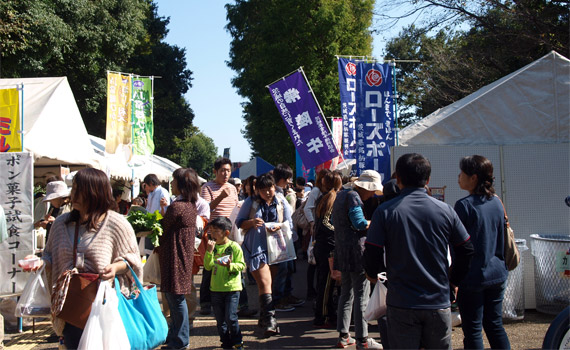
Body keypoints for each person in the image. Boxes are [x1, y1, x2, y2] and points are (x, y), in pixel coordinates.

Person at [20, 168, 142, 349]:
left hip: (103, 310)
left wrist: (116, 267)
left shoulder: (117, 224)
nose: (73, 194)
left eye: (78, 189)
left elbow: (133, 261)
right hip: (70, 309)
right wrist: (40, 262)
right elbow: (49, 255)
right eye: (74, 188)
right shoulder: (61, 224)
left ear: (95, 192)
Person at [364, 153, 475, 349]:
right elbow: (466, 249)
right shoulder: (446, 210)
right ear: (428, 179)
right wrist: (453, 280)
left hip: (401, 301)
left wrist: (373, 274)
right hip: (438, 300)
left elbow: (372, 251)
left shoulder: (385, 212)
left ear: (397, 178)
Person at [454, 155, 510, 349]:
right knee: (495, 325)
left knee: (473, 329)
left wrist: (454, 277)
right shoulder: (495, 202)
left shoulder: (464, 206)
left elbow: (459, 246)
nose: (458, 176)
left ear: (474, 177)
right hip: (497, 272)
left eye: (462, 172)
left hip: (473, 276)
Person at [236, 173, 293, 337]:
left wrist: (279, 226)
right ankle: (270, 321)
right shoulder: (250, 202)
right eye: (263, 189)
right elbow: (239, 222)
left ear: (274, 187)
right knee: (264, 282)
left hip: (276, 247)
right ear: (257, 190)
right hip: (256, 247)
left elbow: (289, 223)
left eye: (270, 187)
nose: (268, 192)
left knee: (269, 284)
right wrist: (252, 222)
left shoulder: (281, 201)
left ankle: (264, 318)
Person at [332, 170, 383, 349]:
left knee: (346, 294)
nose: (372, 195)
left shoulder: (341, 195)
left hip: (342, 251)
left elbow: (334, 220)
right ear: (365, 187)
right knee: (362, 296)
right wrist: (375, 223)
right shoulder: (354, 197)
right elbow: (359, 223)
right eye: (372, 190)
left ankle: (343, 336)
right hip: (357, 252)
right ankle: (363, 340)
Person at [159, 168, 200, 349]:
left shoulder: (177, 206)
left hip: (174, 257)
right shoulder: (190, 205)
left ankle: (180, 340)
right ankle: (176, 336)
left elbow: (164, 228)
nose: (172, 184)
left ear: (181, 184)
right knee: (176, 297)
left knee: (175, 298)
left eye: (174, 181)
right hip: (182, 256)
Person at [200, 157, 239, 315]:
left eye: (228, 170)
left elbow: (236, 206)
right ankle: (205, 302)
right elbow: (206, 209)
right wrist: (221, 196)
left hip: (230, 233)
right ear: (215, 171)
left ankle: (234, 302)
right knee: (210, 267)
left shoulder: (233, 188)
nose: (225, 173)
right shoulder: (207, 187)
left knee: (231, 265)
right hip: (213, 233)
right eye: (222, 170)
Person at [204, 217, 246, 350]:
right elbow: (208, 267)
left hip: (232, 288)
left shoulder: (234, 247)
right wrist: (209, 252)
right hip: (215, 288)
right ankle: (226, 343)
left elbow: (242, 265)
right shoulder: (212, 247)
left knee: (231, 317)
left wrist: (230, 265)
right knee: (220, 320)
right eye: (211, 231)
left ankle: (238, 342)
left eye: (216, 231)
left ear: (226, 232)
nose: (212, 234)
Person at [272, 163, 304, 311]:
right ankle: (278, 299)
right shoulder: (274, 194)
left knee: (288, 268)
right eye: (288, 178)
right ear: (283, 178)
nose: (290, 182)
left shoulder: (282, 193)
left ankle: (286, 294)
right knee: (282, 269)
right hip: (280, 236)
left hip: (288, 235)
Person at [312, 170, 342, 328]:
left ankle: (328, 313)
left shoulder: (322, 198)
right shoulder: (332, 198)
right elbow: (325, 223)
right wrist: (339, 232)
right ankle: (321, 316)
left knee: (325, 282)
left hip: (320, 245)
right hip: (328, 247)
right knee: (326, 284)